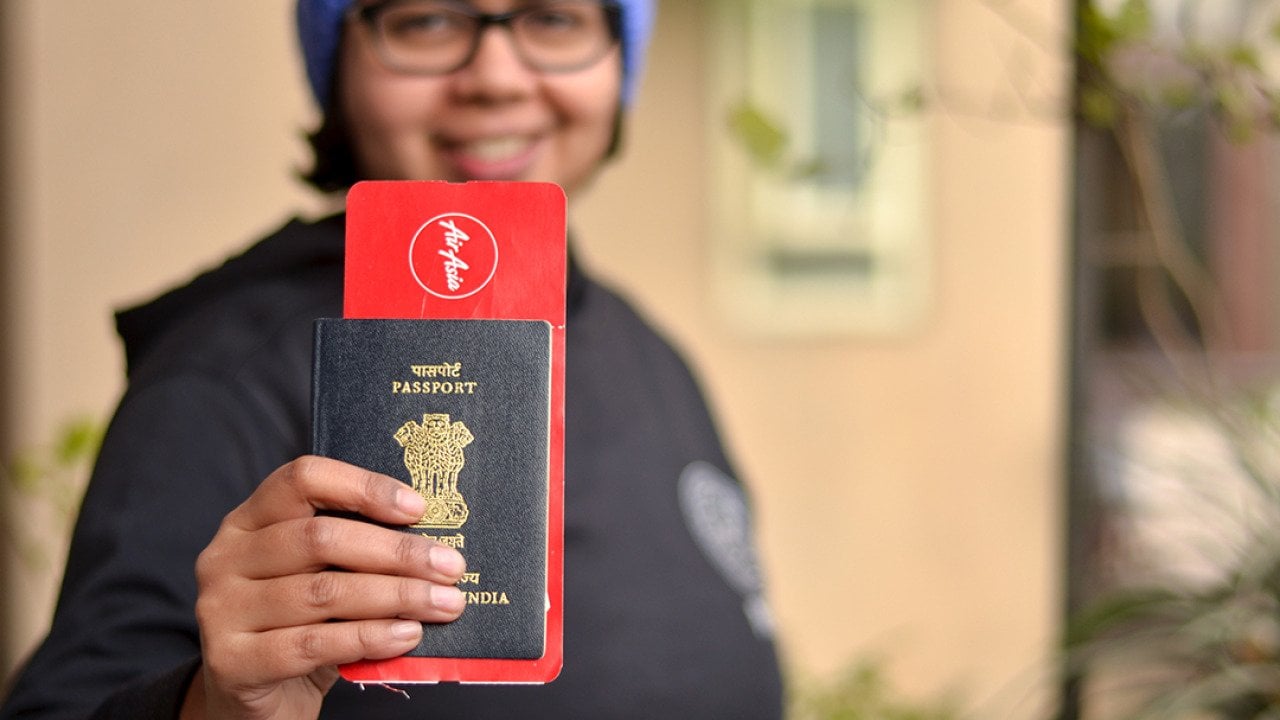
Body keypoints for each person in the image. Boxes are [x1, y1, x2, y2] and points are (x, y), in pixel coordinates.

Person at [0, 1, 785, 718]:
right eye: (427, 21)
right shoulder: (224, 381)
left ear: (620, 60)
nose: (497, 78)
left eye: (553, 17)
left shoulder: (650, 354)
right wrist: (216, 705)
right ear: (341, 63)